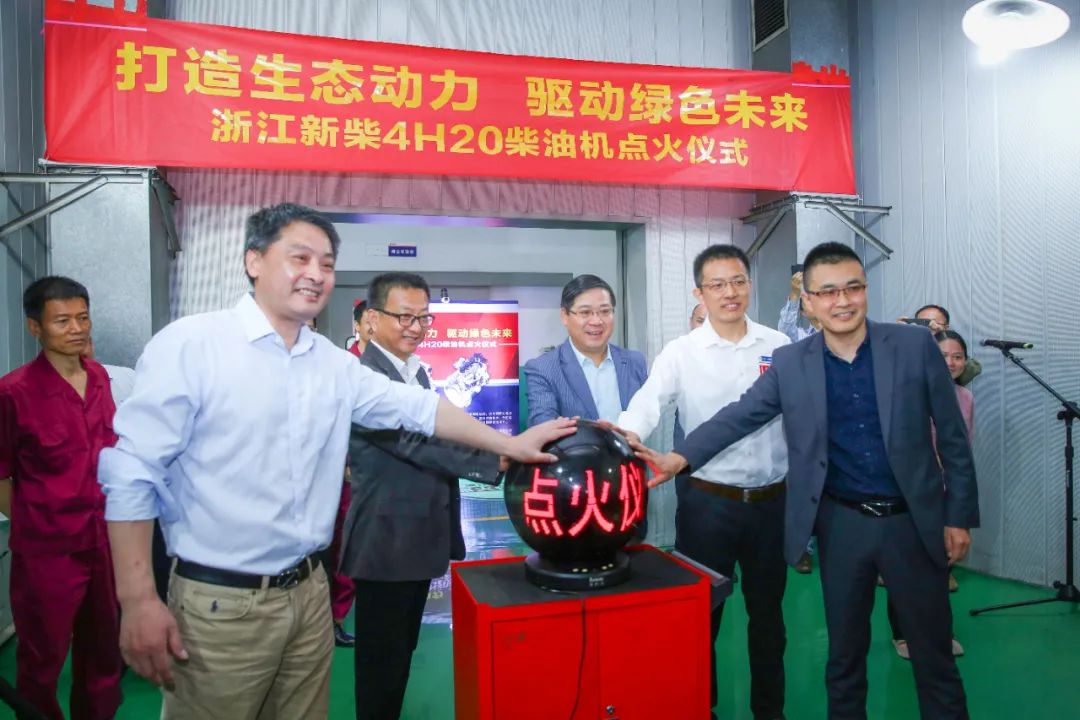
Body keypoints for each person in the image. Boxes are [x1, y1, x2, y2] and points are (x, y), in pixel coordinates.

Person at [98, 203, 573, 719]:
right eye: (299, 258)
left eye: (327, 263)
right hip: (221, 603)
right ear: (254, 260)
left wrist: (510, 444)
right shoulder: (193, 344)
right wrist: (138, 599)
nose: (316, 274)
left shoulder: (328, 363)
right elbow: (132, 474)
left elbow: (418, 410)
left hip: (309, 596)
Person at [637, 241, 978, 720]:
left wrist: (957, 515)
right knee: (844, 657)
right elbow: (740, 414)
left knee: (934, 656)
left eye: (852, 288)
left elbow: (954, 438)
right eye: (828, 292)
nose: (842, 301)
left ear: (865, 290)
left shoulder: (912, 346)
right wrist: (678, 458)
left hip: (913, 523)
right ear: (810, 302)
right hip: (841, 526)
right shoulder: (792, 361)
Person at [618, 244, 790, 720]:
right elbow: (647, 403)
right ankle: (701, 707)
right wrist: (623, 436)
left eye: (737, 281)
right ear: (699, 292)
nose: (729, 292)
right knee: (700, 616)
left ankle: (769, 711)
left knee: (769, 618)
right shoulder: (682, 351)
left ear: (749, 284)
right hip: (707, 505)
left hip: (772, 503)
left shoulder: (779, 346)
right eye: (717, 284)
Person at [342, 271, 502, 720]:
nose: (415, 327)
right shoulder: (364, 377)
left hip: (414, 541)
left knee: (399, 655)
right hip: (386, 542)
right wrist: (500, 457)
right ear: (372, 320)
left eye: (423, 318)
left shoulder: (413, 371)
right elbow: (415, 443)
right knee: (381, 666)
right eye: (404, 317)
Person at [0, 276, 123, 720]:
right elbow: (1, 474)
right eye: (62, 321)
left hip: (104, 543)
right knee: (42, 659)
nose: (76, 329)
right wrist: (34, 525)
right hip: (47, 553)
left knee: (104, 654)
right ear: (35, 327)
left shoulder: (100, 378)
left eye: (83, 318)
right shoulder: (13, 392)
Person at [889, 329, 974, 660]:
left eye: (957, 356)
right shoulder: (905, 393)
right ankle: (903, 634)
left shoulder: (965, 397)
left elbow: (964, 449)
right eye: (942, 356)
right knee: (903, 568)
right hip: (908, 494)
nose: (950, 363)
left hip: (944, 493)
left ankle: (941, 632)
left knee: (940, 567)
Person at [523, 274, 647, 426]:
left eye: (605, 311)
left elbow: (647, 416)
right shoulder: (543, 369)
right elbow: (542, 426)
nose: (596, 321)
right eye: (585, 313)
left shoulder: (635, 362)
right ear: (564, 316)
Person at [898, 304, 981, 386]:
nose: (928, 328)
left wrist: (942, 336)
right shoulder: (908, 348)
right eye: (922, 323)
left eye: (933, 323)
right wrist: (896, 336)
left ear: (946, 328)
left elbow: (972, 369)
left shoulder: (953, 351)